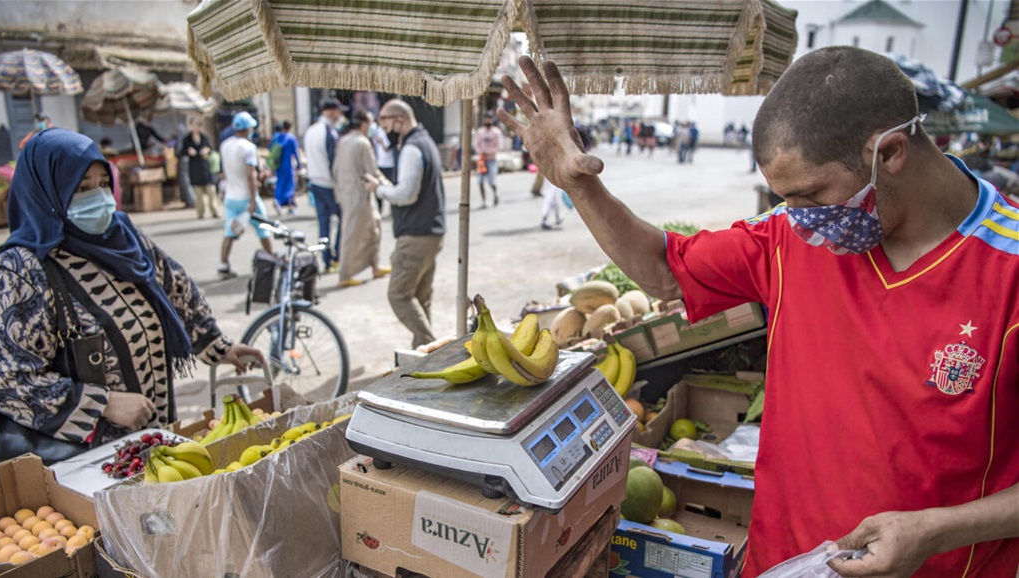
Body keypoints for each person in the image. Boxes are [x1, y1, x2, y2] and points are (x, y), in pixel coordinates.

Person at [498, 48, 1017, 577]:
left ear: (890, 153)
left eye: (812, 194)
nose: (804, 219)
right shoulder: (788, 236)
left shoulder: (1010, 273)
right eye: (786, 199)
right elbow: (664, 269)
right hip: (782, 561)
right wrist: (578, 183)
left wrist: (935, 531)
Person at [0, 128, 263, 459]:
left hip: (157, 435)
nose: (99, 198)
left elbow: (176, 288)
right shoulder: (22, 269)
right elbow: (7, 378)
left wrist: (217, 345)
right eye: (82, 188)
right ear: (47, 191)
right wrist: (100, 404)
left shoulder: (123, 237)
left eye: (104, 184)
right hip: (87, 459)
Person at [364, 99, 446, 349]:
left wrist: (379, 190)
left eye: (384, 122)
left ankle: (431, 347)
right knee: (421, 298)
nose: (382, 129)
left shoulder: (412, 147)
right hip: (431, 232)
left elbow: (407, 194)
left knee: (399, 294)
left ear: (398, 119)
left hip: (417, 235)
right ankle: (422, 352)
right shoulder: (425, 141)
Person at [333, 109, 391, 287]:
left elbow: (335, 169)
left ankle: (375, 266)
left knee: (373, 228)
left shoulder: (344, 140)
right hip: (360, 194)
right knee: (354, 234)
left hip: (347, 193)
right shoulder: (362, 142)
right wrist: (390, 187)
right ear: (364, 124)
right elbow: (372, 171)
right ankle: (345, 274)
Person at [218, 111, 273, 277]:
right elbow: (251, 175)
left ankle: (223, 264)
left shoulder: (225, 145)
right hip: (246, 196)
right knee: (263, 229)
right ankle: (271, 259)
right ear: (249, 128)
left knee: (230, 231)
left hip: (230, 195)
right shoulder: (248, 148)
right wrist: (253, 199)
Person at [303, 99, 349, 274]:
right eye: (338, 112)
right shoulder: (329, 133)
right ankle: (337, 257)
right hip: (329, 184)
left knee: (324, 223)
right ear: (331, 112)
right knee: (344, 218)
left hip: (315, 182)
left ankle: (327, 259)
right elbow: (334, 162)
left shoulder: (310, 131)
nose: (340, 116)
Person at [179, 117, 220, 219]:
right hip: (194, 167)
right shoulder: (187, 139)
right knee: (199, 193)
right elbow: (181, 152)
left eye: (197, 126)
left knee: (211, 191)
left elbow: (210, 148)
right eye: (193, 126)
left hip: (205, 166)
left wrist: (207, 151)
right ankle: (200, 213)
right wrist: (189, 151)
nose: (195, 128)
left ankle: (214, 211)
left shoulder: (204, 137)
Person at [269, 121, 300, 215]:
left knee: (280, 183)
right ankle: (290, 206)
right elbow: (296, 152)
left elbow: (270, 150)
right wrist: (299, 164)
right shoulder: (291, 138)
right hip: (288, 164)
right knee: (290, 185)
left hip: (278, 165)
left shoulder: (276, 137)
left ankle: (277, 200)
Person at [473, 112, 504, 208]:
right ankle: (483, 201)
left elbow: (499, 146)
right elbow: (476, 144)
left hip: (492, 160)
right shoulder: (480, 132)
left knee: (491, 181)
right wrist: (481, 151)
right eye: (485, 118)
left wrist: (488, 151)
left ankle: (495, 195)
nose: (487, 120)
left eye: (489, 118)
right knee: (480, 181)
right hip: (482, 160)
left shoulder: (496, 132)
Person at [372, 123, 395, 215]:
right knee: (379, 186)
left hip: (390, 164)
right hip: (380, 164)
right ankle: (379, 209)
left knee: (391, 187)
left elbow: (388, 148)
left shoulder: (390, 133)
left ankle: (392, 209)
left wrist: (381, 142)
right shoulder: (377, 131)